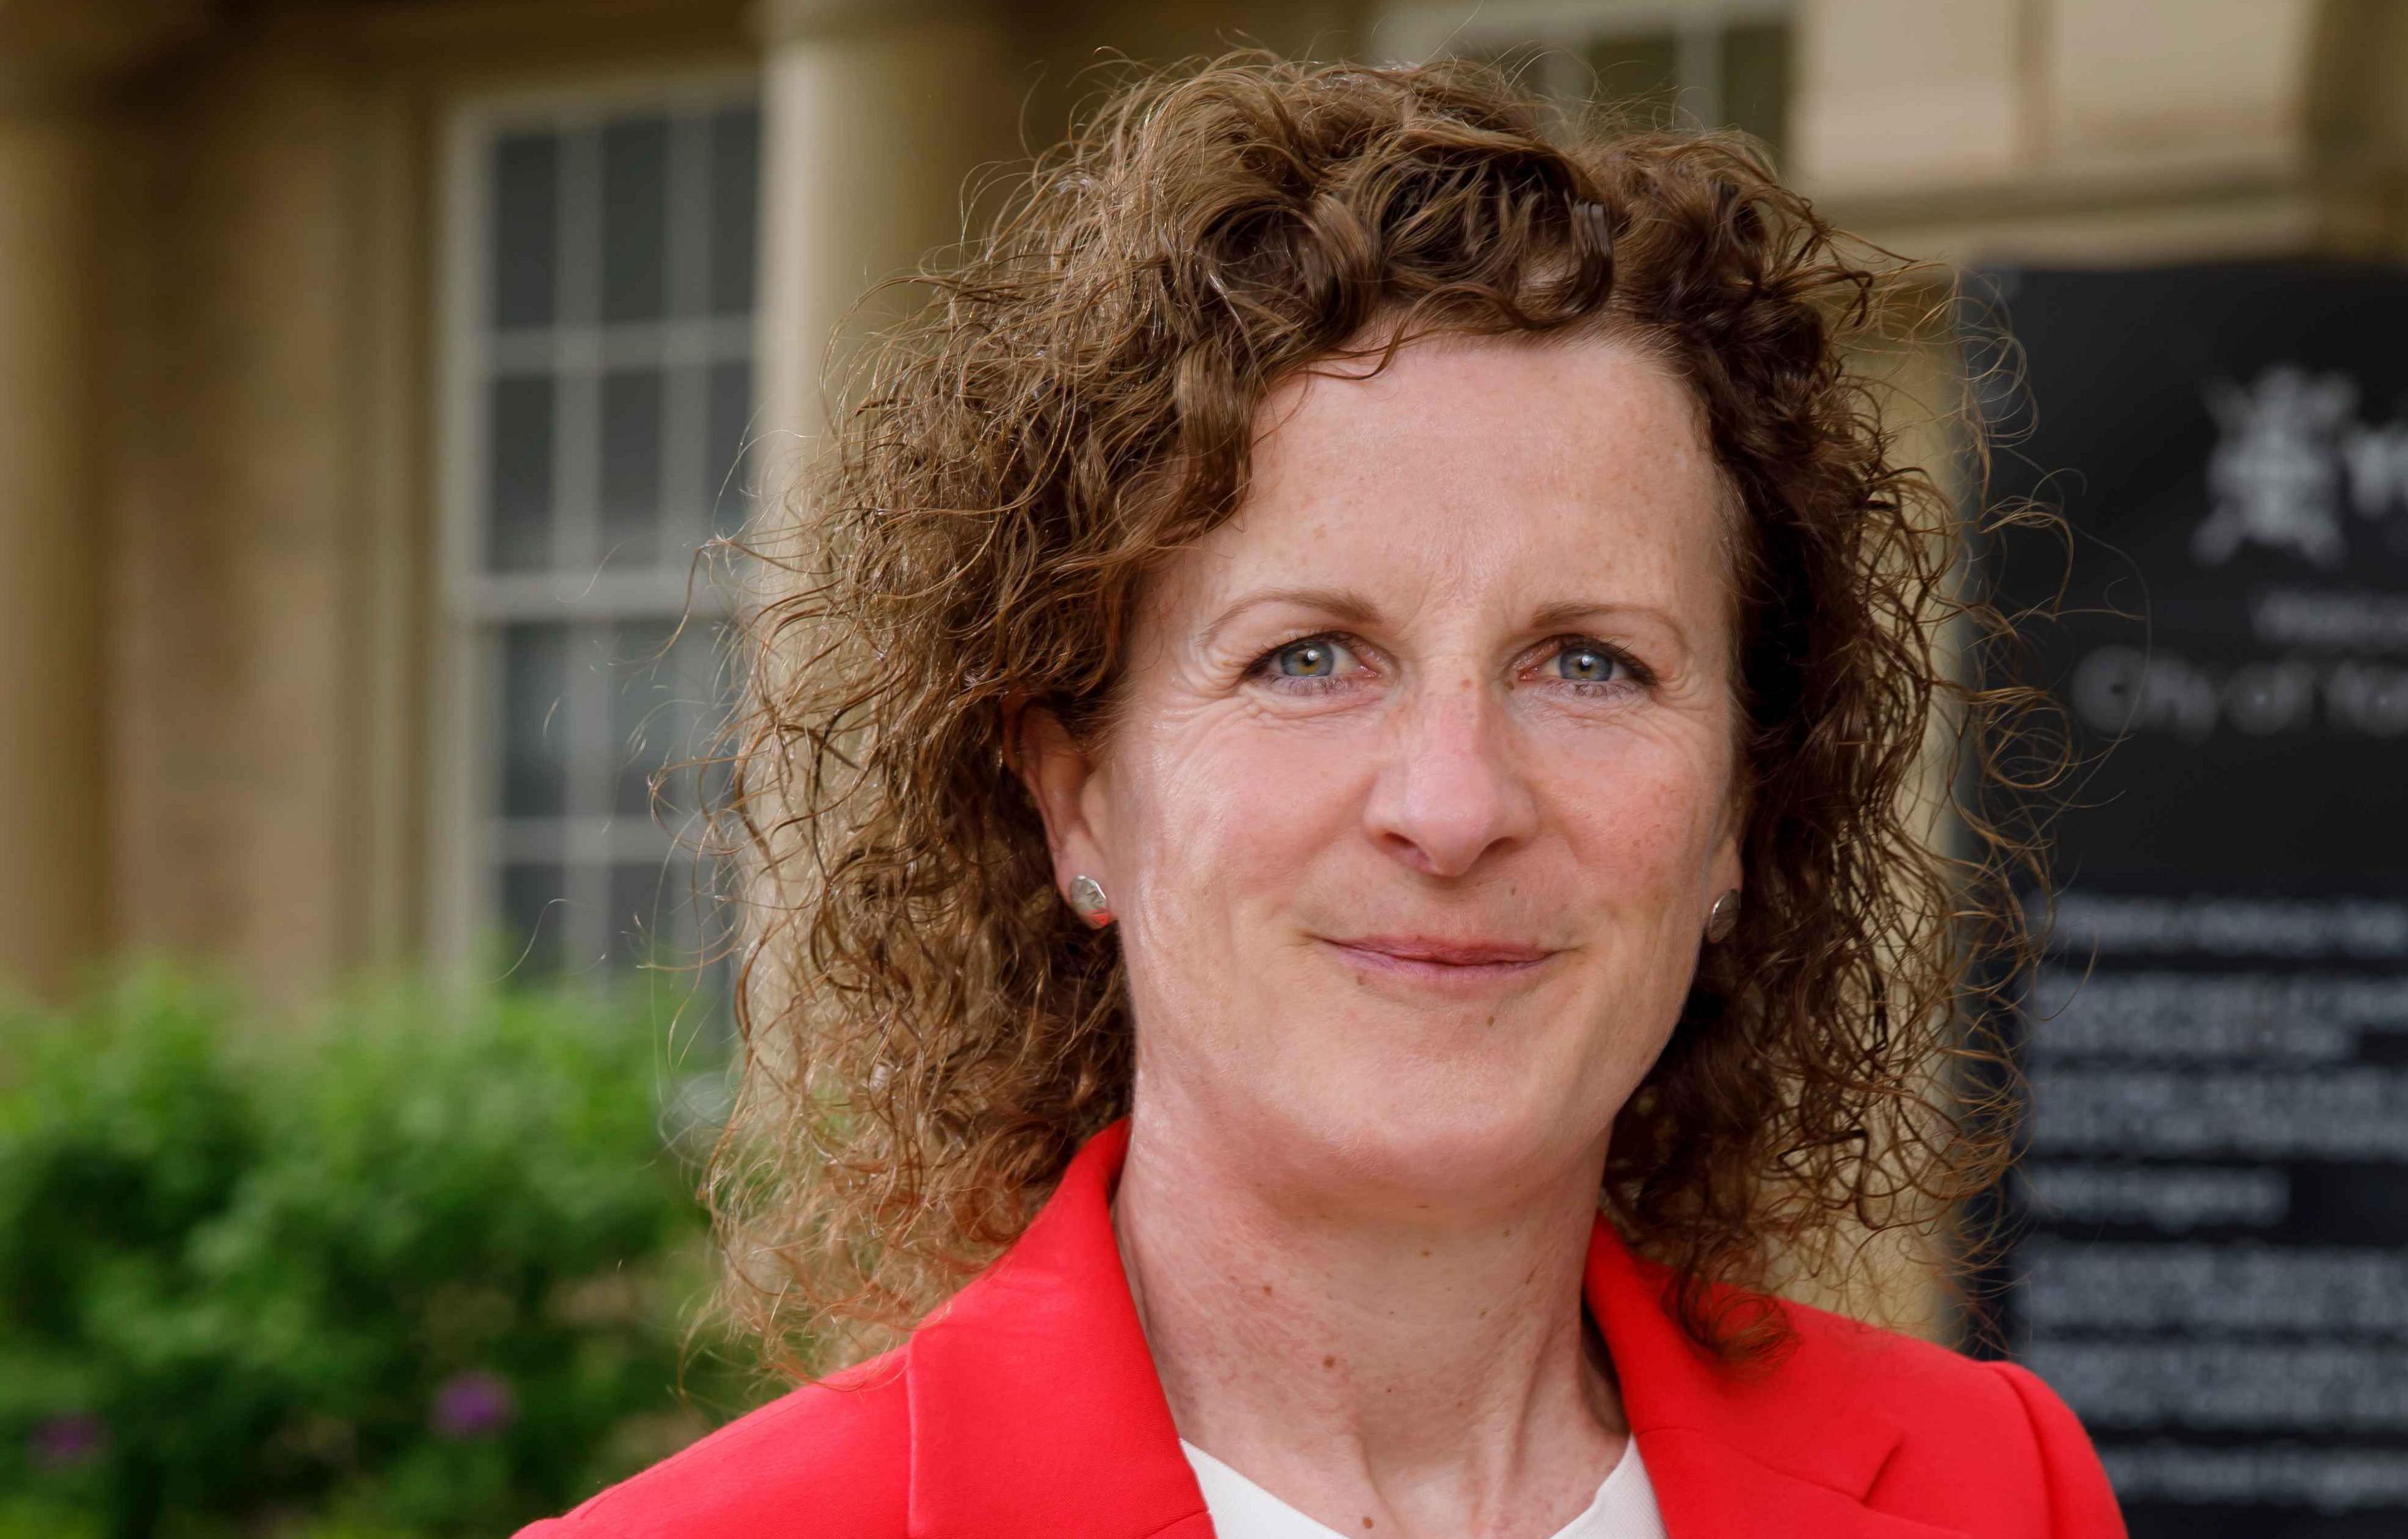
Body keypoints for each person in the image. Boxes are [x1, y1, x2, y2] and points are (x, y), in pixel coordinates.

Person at [517, 53, 2119, 1539]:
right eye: (1308, 658)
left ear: (1737, 823)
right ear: (1078, 804)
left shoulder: (1996, 1487)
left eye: (1589, 665)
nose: (1452, 803)